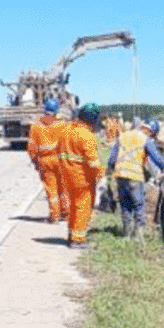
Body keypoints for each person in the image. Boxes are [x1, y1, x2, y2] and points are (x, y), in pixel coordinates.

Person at [106, 118, 164, 240]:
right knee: (138, 204)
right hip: (134, 176)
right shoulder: (145, 139)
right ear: (151, 131)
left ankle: (126, 234)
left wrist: (109, 171)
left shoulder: (123, 137)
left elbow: (111, 159)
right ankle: (138, 236)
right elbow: (156, 156)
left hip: (120, 175)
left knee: (125, 204)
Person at [58, 103, 103, 249]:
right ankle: (78, 240)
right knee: (83, 207)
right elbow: (93, 163)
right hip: (82, 178)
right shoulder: (87, 136)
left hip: (67, 176)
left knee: (72, 207)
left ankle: (71, 234)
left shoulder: (67, 130)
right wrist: (101, 175)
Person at [26, 98, 68, 223]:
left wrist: (35, 162)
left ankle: (54, 216)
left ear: (45, 109)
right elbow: (67, 144)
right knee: (64, 188)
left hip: (44, 161)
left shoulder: (36, 125)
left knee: (51, 189)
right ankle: (66, 214)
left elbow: (31, 147)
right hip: (60, 160)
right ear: (56, 111)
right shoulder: (62, 124)